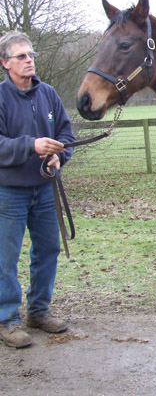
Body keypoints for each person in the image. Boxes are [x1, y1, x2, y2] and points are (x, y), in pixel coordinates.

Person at [0, 30, 75, 348]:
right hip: (9, 193)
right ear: (5, 63)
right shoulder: (1, 98)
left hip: (46, 191)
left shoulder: (49, 94)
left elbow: (66, 133)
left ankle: (39, 311)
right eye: (21, 56)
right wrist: (31, 145)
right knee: (6, 258)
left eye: (31, 55)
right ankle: (6, 320)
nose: (29, 60)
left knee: (48, 250)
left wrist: (60, 156)